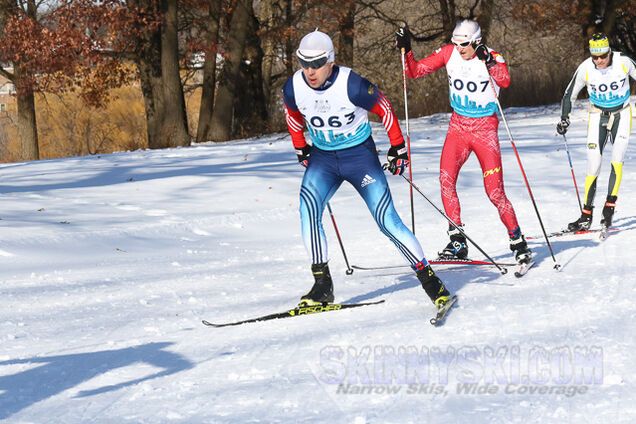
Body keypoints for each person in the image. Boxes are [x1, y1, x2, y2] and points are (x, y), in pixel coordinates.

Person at [282, 30, 452, 310]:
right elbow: (292, 114)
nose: (310, 71)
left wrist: (398, 147)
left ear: (330, 61)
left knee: (386, 220)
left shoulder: (352, 84)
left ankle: (431, 282)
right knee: (308, 209)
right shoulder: (294, 87)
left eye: (317, 63)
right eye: (304, 63)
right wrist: (301, 146)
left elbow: (384, 107)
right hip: (323, 158)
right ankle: (322, 284)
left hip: (359, 157)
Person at [395, 19, 531, 265]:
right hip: (458, 127)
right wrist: (407, 49)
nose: (459, 48)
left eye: (465, 44)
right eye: (455, 43)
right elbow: (414, 72)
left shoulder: (492, 57)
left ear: (477, 41)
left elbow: (505, 80)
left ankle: (518, 240)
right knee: (446, 179)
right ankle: (457, 241)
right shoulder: (449, 53)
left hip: (484, 130)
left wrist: (487, 60)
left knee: (494, 191)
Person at [557, 33, 636, 231]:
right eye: (595, 57)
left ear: (609, 52)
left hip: (622, 114)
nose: (599, 61)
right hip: (597, 115)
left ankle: (609, 208)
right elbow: (569, 94)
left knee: (616, 160)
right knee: (594, 164)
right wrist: (564, 118)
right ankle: (586, 214)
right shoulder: (585, 68)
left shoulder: (623, 62)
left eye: (603, 56)